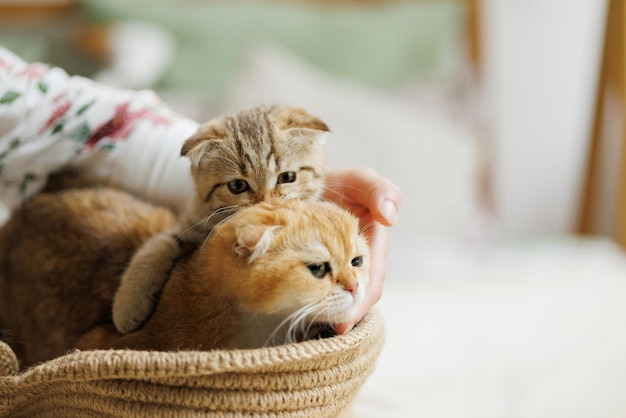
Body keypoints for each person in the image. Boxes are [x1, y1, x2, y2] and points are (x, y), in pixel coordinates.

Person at [0, 46, 402, 334]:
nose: (268, 201)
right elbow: (178, 237)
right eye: (241, 187)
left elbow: (60, 113)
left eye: (286, 180)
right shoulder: (205, 206)